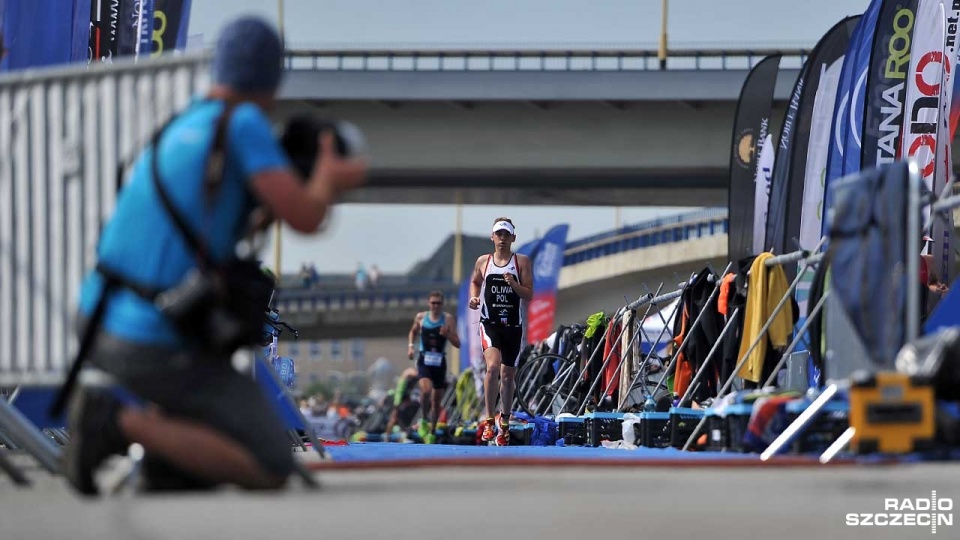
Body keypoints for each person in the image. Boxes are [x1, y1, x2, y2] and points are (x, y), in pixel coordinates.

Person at [63, 16, 366, 495]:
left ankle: (169, 464)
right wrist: (331, 175)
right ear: (271, 79)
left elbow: (213, 226)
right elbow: (307, 217)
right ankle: (116, 424)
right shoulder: (244, 124)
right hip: (148, 339)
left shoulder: (185, 122)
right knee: (269, 461)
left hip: (97, 316)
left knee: (213, 407)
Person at [468, 218, 534, 446]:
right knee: (493, 367)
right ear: (492, 237)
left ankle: (503, 423)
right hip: (490, 324)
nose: (502, 239)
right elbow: (475, 282)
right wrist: (474, 297)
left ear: (513, 238)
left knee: (507, 376)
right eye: (499, 234)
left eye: (507, 235)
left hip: (513, 327)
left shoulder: (521, 262)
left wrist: (513, 284)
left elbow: (528, 294)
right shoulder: (483, 262)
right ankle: (488, 420)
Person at [407, 291, 460, 444]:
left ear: (442, 305)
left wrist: (448, 334)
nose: (435, 306)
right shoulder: (421, 318)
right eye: (433, 303)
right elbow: (413, 331)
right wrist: (411, 347)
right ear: (429, 304)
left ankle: (432, 430)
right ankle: (424, 419)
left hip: (439, 361)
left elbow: (458, 343)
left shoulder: (448, 319)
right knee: (425, 389)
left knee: (436, 400)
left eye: (438, 303)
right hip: (424, 359)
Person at [382, 368, 420, 441]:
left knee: (398, 419)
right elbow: (400, 392)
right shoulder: (409, 372)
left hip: (404, 398)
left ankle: (398, 435)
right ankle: (387, 436)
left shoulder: (411, 377)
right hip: (399, 399)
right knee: (394, 418)